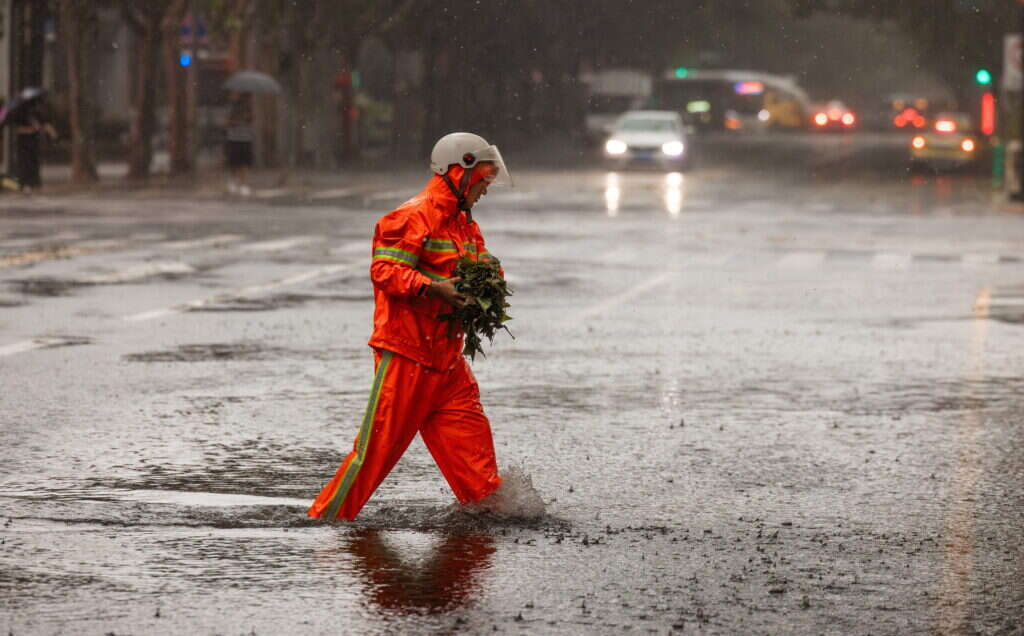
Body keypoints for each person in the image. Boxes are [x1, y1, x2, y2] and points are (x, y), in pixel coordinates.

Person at [308, 132, 513, 522]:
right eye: (483, 179)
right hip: (407, 357)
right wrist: (433, 288)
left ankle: (492, 517)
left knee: (477, 467)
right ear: (460, 171)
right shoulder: (411, 216)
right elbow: (384, 271)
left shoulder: (464, 225)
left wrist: (489, 290)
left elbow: (485, 267)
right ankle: (324, 522)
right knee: (372, 458)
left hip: (448, 363)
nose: (486, 189)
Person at [13, 101, 56, 193]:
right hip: (23, 144)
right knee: (25, 164)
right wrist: (30, 130)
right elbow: (18, 129)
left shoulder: (36, 113)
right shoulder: (19, 114)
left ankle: (34, 184)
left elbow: (44, 124)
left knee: (34, 163)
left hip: (33, 143)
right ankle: (25, 184)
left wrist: (51, 133)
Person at [224, 92, 253, 196]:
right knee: (233, 162)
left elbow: (252, 121)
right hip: (234, 138)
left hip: (245, 138)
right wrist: (236, 121)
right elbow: (226, 122)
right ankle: (233, 182)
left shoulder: (248, 108)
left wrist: (247, 118)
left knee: (244, 163)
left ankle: (244, 184)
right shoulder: (230, 108)